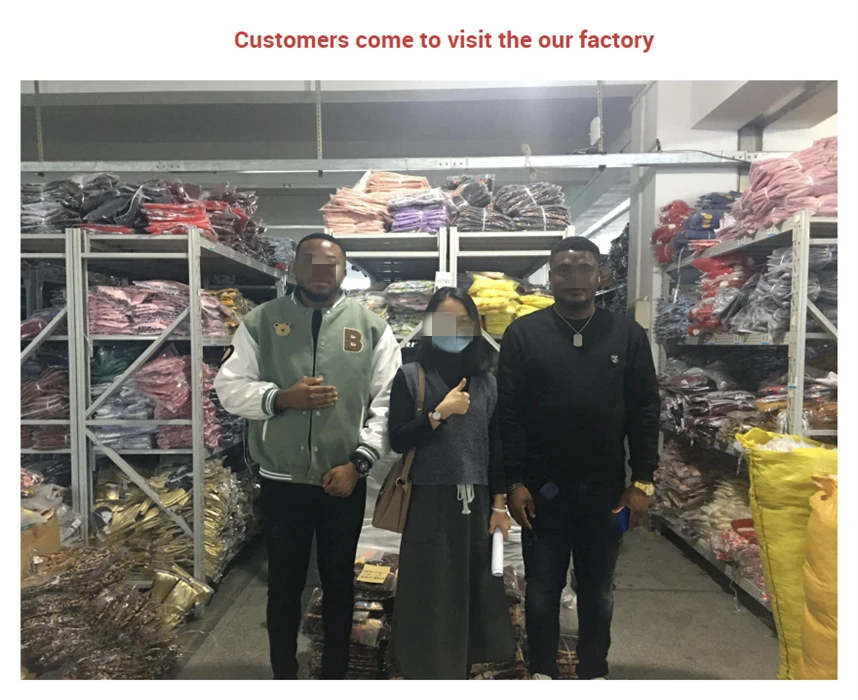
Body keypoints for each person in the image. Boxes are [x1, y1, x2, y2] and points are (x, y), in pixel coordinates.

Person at [214, 233, 401, 680]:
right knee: (284, 585)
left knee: (338, 583)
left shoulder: (371, 327)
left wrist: (359, 462)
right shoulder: (261, 321)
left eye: (330, 263)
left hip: (343, 480)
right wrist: (281, 398)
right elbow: (229, 386)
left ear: (344, 270)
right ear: (295, 267)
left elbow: (388, 402)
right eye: (311, 261)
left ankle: (333, 675)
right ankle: (284, 675)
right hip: (282, 481)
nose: (321, 271)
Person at [496, 236, 661, 680]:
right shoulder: (523, 335)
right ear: (550, 277)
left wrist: (642, 481)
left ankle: (593, 673)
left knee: (598, 589)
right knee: (542, 588)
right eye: (564, 269)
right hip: (541, 491)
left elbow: (645, 410)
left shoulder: (627, 335)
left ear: (600, 275)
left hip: (607, 492)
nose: (574, 278)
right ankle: (543, 672)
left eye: (584, 268)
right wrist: (514, 482)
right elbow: (508, 415)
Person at [387, 287, 515, 680]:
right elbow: (398, 439)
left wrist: (499, 506)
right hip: (428, 500)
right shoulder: (410, 377)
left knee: (473, 589)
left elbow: (496, 447)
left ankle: (461, 668)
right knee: (428, 588)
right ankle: (423, 669)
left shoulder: (487, 383)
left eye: (462, 322)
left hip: (476, 504)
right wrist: (438, 414)